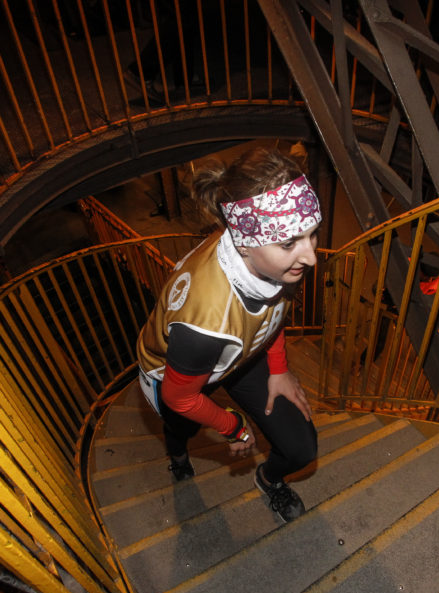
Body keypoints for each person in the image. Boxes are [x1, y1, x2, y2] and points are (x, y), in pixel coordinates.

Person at [136, 146, 320, 522]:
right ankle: (178, 457)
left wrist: (280, 369)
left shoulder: (274, 263)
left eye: (311, 235)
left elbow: (273, 309)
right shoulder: (202, 325)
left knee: (301, 447)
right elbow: (178, 395)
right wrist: (233, 426)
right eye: (290, 243)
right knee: (181, 426)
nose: (310, 256)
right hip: (177, 373)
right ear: (244, 243)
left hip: (241, 350)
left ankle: (269, 480)